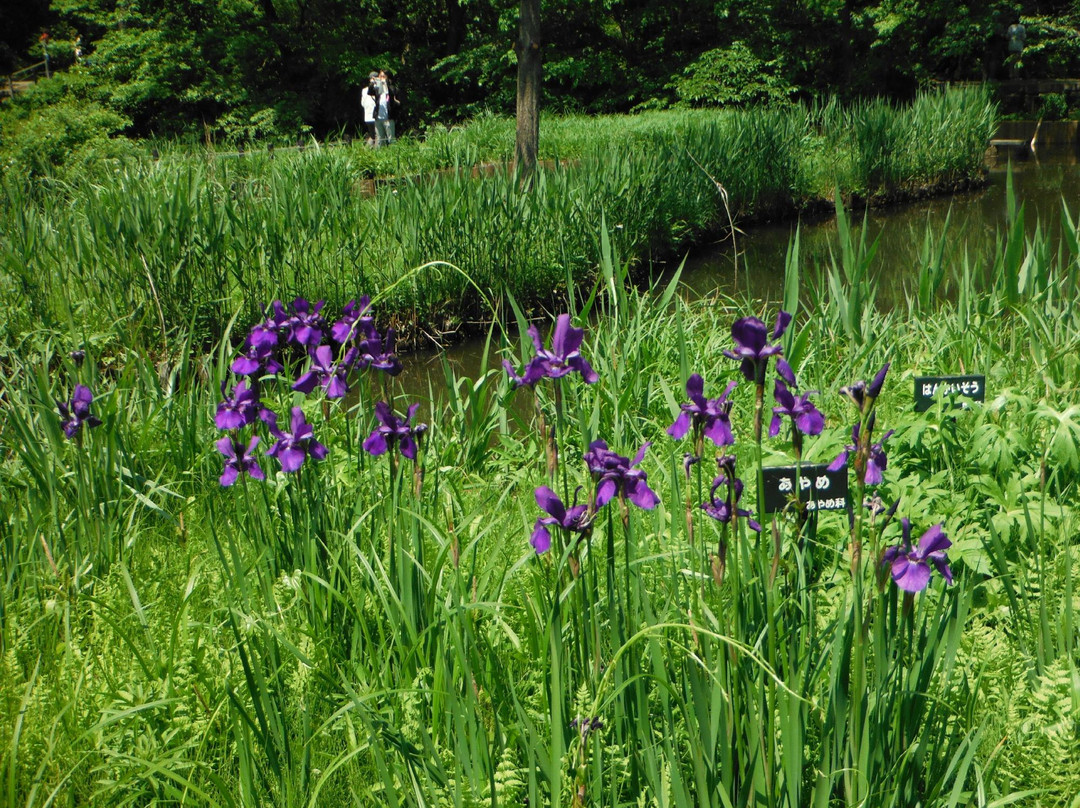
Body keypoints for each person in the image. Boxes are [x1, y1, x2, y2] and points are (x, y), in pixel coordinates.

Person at [380, 70, 402, 144]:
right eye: (380, 76)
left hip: (389, 117)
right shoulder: (378, 90)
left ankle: (393, 152)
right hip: (379, 117)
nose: (381, 78)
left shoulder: (393, 89)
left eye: (384, 76)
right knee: (380, 139)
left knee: (391, 138)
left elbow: (399, 103)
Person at [361, 71, 379, 146]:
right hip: (375, 116)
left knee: (372, 136)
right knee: (378, 135)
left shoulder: (364, 90)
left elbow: (362, 103)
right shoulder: (377, 89)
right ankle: (377, 151)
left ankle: (367, 150)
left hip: (367, 116)